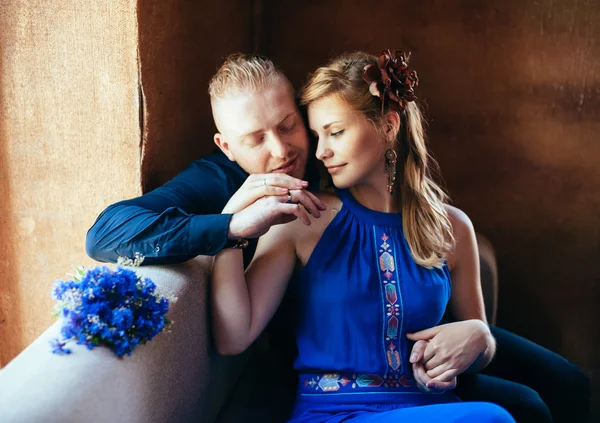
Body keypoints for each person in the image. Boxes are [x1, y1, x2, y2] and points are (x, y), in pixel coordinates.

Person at [86, 53, 590, 423]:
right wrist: (230, 227)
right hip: (326, 372)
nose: (284, 150)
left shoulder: (430, 211)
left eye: (291, 125)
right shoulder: (229, 186)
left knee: (561, 388)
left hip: (411, 350)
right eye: (255, 139)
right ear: (226, 147)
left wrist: (478, 335)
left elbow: (464, 310)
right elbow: (106, 234)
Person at [210, 49, 518, 422]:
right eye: (316, 134)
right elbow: (233, 337)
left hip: (434, 409)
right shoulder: (301, 219)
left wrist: (481, 338)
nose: (321, 152)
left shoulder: (453, 228)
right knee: (494, 419)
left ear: (388, 127)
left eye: (335, 132)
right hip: (332, 414)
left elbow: (478, 355)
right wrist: (228, 225)